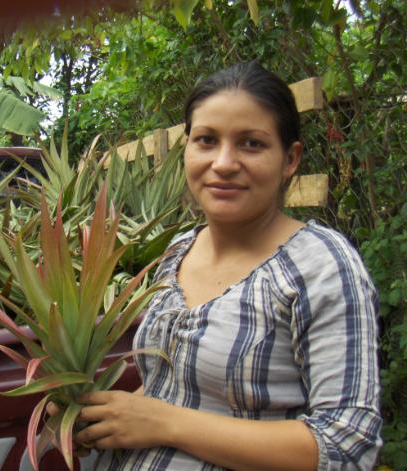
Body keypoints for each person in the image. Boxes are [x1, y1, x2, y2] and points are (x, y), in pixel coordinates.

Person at [74, 61, 382, 470]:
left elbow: (347, 446)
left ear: (290, 159)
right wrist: (104, 418)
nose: (223, 163)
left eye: (251, 144)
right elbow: (174, 391)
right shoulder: (179, 251)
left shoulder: (321, 265)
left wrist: (165, 424)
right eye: (206, 140)